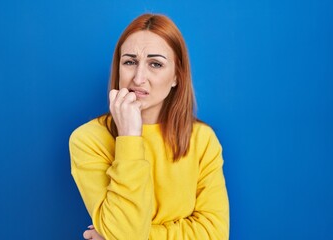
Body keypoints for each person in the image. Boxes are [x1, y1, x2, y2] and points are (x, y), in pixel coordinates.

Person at [69, 13, 229, 240]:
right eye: (130, 62)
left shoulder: (202, 140)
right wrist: (129, 139)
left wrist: (133, 236)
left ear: (176, 76)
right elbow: (125, 232)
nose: (139, 78)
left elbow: (214, 234)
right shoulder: (87, 140)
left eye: (155, 64)